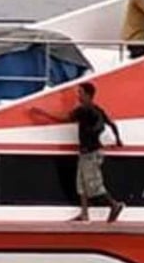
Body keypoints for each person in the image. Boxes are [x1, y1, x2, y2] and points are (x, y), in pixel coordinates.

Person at [31, 81, 126, 222]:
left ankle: (114, 205)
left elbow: (63, 119)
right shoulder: (97, 109)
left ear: (87, 95)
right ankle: (84, 214)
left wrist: (43, 113)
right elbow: (111, 124)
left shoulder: (83, 110)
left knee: (94, 186)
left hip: (90, 153)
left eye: (80, 93)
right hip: (88, 152)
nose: (78, 96)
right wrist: (118, 141)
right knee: (81, 185)